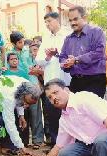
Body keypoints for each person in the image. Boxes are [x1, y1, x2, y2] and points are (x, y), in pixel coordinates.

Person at [0, 75, 41, 154]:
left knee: (2, 119)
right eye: (26, 103)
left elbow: (20, 100)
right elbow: (10, 123)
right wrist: (22, 147)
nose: (26, 106)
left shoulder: (27, 86)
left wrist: (21, 116)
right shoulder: (9, 97)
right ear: (22, 94)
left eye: (29, 104)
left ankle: (5, 146)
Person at [35, 12, 71, 147]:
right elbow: (38, 59)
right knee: (52, 115)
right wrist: (48, 57)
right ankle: (56, 145)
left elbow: (73, 55)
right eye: (46, 22)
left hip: (66, 81)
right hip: (50, 82)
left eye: (49, 21)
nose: (47, 24)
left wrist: (58, 53)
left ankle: (69, 146)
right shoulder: (46, 38)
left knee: (68, 115)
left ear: (57, 20)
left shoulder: (68, 35)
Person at [59, 6, 106, 97]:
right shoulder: (68, 39)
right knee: (76, 110)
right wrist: (65, 63)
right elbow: (62, 56)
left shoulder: (97, 32)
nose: (73, 23)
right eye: (70, 20)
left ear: (84, 18)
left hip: (94, 80)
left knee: (92, 110)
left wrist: (76, 60)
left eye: (75, 19)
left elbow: (99, 52)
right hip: (76, 81)